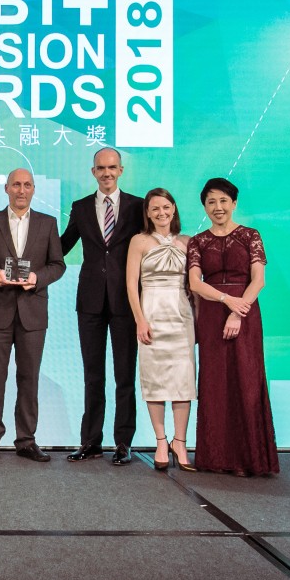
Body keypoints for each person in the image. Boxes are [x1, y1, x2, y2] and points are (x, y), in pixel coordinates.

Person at [0, 168, 65, 462]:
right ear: (6, 189)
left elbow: (58, 265)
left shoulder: (48, 223)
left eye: (26, 185)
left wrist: (37, 278)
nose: (21, 190)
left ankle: (26, 440)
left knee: (29, 379)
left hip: (32, 314)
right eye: (16, 185)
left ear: (34, 189)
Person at [186, 178, 279, 476]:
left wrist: (238, 312)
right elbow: (195, 283)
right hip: (212, 315)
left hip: (245, 314)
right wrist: (227, 300)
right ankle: (216, 459)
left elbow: (258, 280)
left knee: (247, 381)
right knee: (215, 384)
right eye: (211, 202)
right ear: (204, 206)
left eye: (223, 200)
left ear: (234, 203)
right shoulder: (198, 241)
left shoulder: (251, 235)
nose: (218, 207)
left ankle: (250, 460)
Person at [61, 148, 144, 465]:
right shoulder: (81, 207)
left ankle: (123, 443)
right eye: (101, 168)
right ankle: (91, 442)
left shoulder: (138, 206)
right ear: (93, 171)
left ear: (121, 170)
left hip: (126, 301)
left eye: (112, 167)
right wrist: (24, 255)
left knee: (125, 376)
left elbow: (153, 243)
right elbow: (63, 244)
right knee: (92, 376)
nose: (107, 173)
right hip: (90, 301)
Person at [126, 188, 197, 472]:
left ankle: (180, 441)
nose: (161, 213)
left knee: (183, 382)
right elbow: (131, 284)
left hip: (181, 317)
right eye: (155, 208)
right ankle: (160, 441)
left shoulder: (188, 242)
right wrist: (140, 320)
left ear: (174, 208)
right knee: (154, 381)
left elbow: (194, 285)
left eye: (166, 207)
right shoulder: (139, 241)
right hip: (151, 316)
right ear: (147, 212)